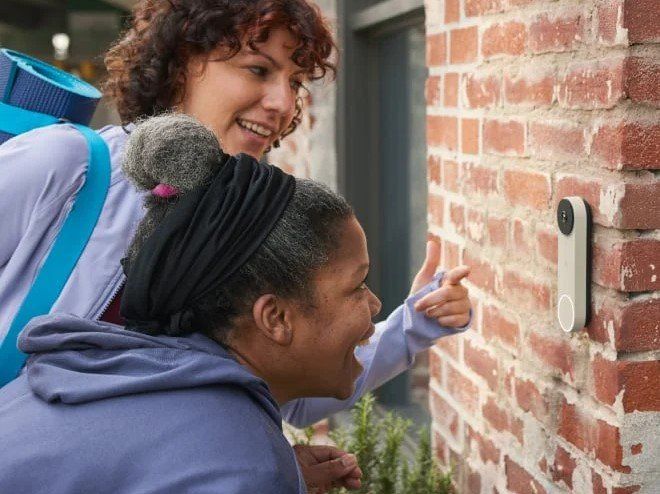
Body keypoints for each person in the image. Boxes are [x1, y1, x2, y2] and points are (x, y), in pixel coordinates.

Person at [0, 0, 471, 489]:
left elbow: (282, 376)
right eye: (258, 69)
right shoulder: (69, 164)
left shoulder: (246, 223)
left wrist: (412, 327)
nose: (283, 103)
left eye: (294, 82)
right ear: (182, 62)